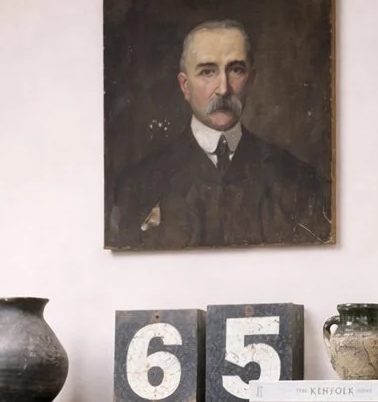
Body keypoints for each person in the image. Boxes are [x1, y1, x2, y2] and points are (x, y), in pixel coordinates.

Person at [109, 19, 331, 250]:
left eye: (236, 70)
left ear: (251, 80)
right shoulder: (135, 184)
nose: (224, 89)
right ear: (185, 86)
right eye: (207, 71)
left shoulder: (299, 180)